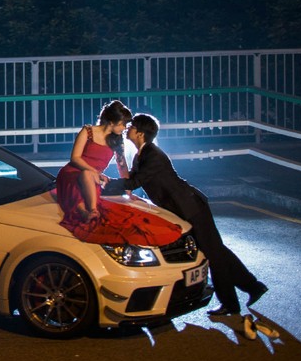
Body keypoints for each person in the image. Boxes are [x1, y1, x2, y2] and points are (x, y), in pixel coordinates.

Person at [113, 113, 268, 317]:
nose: (128, 129)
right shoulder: (143, 154)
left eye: (131, 126)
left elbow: (134, 183)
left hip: (191, 208)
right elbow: (131, 179)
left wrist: (106, 185)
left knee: (214, 255)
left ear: (140, 133)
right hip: (184, 209)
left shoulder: (153, 156)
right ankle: (252, 286)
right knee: (217, 250)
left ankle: (231, 303)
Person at [55, 101, 182, 246]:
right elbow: (75, 158)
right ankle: (89, 212)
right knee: (85, 175)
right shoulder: (88, 131)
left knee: (88, 178)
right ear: (111, 122)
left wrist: (128, 191)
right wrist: (94, 171)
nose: (124, 128)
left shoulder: (117, 140)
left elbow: (122, 166)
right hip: (73, 172)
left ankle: (89, 212)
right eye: (122, 124)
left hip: (93, 177)